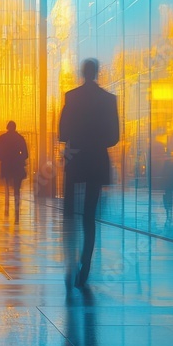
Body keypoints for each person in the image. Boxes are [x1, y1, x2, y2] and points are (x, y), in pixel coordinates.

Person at [58, 58, 119, 287]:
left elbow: (63, 132)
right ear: (97, 72)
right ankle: (86, 263)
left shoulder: (71, 97)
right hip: (96, 159)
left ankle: (70, 261)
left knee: (69, 214)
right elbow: (114, 137)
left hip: (75, 158)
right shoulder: (108, 99)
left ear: (82, 73)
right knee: (89, 216)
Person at [0, 121, 29, 221]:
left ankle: (7, 208)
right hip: (17, 166)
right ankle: (17, 209)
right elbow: (26, 154)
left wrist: (3, 158)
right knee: (17, 189)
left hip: (6, 165)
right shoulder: (20, 138)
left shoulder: (2, 138)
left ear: (7, 127)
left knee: (7, 189)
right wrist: (19, 158)